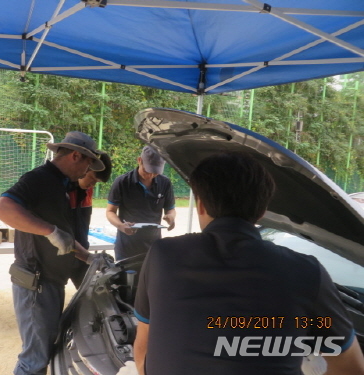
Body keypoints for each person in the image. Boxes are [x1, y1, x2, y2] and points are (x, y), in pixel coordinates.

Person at [133, 152, 364, 375]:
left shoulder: (163, 255)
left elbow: (142, 350)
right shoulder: (307, 272)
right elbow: (352, 368)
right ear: (262, 210)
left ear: (201, 206)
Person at [0, 131, 105, 375]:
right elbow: (2, 208)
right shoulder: (40, 179)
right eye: (87, 163)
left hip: (50, 282)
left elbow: (62, 238)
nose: (87, 170)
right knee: (34, 360)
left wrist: (88, 258)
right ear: (76, 156)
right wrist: (49, 230)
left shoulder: (62, 185)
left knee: (45, 352)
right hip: (35, 283)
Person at [106, 146, 176, 260]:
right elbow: (110, 211)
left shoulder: (165, 183)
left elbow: (170, 209)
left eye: (155, 172)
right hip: (126, 247)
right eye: (147, 171)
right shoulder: (122, 182)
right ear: (139, 161)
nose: (151, 175)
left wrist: (171, 217)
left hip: (154, 247)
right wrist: (121, 226)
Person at [68, 150, 112, 287]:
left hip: (80, 252)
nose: (92, 185)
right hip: (62, 254)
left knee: (92, 292)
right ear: (85, 168)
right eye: (92, 179)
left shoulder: (87, 190)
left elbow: (81, 224)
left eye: (96, 183)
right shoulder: (61, 190)